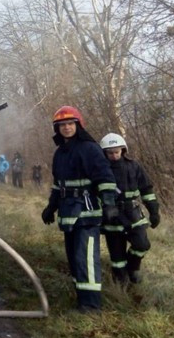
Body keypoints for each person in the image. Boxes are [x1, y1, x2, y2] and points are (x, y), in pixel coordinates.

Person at [41, 106, 118, 313]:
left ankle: (91, 305)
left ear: (78, 125)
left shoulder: (90, 148)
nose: (66, 128)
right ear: (57, 128)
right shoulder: (60, 153)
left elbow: (105, 178)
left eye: (70, 124)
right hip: (68, 213)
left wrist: (109, 203)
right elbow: (59, 184)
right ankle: (81, 297)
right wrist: (51, 206)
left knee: (86, 259)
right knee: (74, 258)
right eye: (62, 125)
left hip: (87, 212)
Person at [99, 133, 160, 284]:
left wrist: (154, 211)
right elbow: (94, 193)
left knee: (142, 245)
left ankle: (133, 268)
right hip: (111, 217)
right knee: (117, 259)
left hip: (133, 214)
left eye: (117, 152)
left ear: (123, 150)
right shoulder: (99, 169)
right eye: (110, 153)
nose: (114, 155)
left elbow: (146, 189)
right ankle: (121, 287)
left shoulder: (134, 166)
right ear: (104, 153)